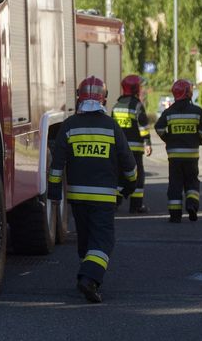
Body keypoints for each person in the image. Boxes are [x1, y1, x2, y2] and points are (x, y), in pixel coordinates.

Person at [48, 76, 137, 303]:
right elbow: (128, 162)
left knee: (86, 241)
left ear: (79, 98)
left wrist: (54, 193)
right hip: (104, 198)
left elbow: (56, 165)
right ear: (103, 99)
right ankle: (89, 280)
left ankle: (88, 275)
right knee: (103, 241)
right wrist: (129, 186)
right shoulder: (111, 126)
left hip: (77, 198)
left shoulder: (69, 126)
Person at [154, 79, 202, 223]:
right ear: (188, 92)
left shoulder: (169, 112)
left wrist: (168, 139)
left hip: (174, 157)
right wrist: (199, 140)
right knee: (192, 182)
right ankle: (191, 204)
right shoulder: (197, 111)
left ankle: (175, 215)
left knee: (175, 184)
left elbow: (159, 128)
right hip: (192, 155)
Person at [111, 75, 153, 213]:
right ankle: (136, 206)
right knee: (138, 176)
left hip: (119, 150)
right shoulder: (137, 105)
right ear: (135, 88)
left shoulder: (116, 106)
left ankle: (115, 204)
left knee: (118, 175)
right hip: (135, 150)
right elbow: (143, 127)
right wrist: (147, 143)